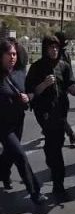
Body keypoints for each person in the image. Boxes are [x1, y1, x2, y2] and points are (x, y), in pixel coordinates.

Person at [26, 35, 75, 200]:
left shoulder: (64, 66)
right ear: (45, 49)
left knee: (55, 145)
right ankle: (58, 184)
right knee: (54, 148)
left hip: (61, 111)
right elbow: (31, 92)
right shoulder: (37, 67)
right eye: (51, 47)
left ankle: (56, 175)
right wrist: (43, 84)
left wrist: (73, 88)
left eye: (56, 47)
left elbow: (73, 85)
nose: (54, 50)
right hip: (44, 112)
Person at [0, 39, 46, 204]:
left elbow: (29, 94)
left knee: (9, 154)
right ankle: (35, 192)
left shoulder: (20, 73)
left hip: (18, 121)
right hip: (3, 126)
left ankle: (3, 174)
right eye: (8, 54)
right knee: (20, 155)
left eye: (14, 54)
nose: (12, 57)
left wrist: (28, 97)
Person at [54, 31, 75, 146]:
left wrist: (71, 84)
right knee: (59, 113)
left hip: (62, 87)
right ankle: (70, 134)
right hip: (56, 88)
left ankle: (60, 132)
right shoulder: (60, 53)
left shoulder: (63, 54)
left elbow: (68, 70)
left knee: (61, 113)